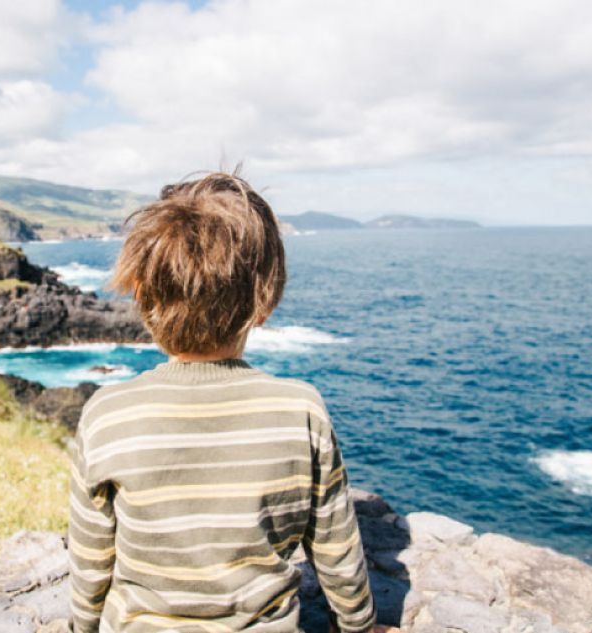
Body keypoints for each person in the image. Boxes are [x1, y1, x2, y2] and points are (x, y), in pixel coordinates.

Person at [68, 171, 379, 632]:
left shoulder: (107, 414)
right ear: (265, 301)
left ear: (141, 294)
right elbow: (335, 546)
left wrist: (82, 627)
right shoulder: (300, 410)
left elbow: (92, 558)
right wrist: (360, 625)